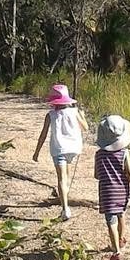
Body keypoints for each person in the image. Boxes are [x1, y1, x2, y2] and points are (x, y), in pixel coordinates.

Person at [94, 114, 130, 260]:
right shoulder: (124, 153)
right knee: (121, 214)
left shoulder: (99, 154)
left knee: (111, 222)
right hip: (122, 190)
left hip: (107, 192)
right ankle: (122, 239)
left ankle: (116, 252)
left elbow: (96, 175)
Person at [32, 83, 88, 221]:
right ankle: (65, 199)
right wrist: (83, 116)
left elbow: (43, 135)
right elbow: (85, 128)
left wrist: (36, 152)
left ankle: (65, 209)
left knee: (61, 179)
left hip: (59, 149)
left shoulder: (50, 115)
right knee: (66, 177)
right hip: (73, 149)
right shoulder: (74, 112)